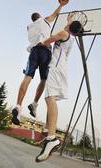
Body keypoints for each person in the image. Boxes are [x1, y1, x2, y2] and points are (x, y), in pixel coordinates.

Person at [12, 0, 68, 125]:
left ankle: (18, 106)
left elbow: (33, 30)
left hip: (33, 51)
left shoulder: (29, 27)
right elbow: (55, 14)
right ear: (40, 17)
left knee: (27, 76)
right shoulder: (44, 20)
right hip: (45, 51)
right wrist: (61, 5)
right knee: (43, 79)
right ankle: (34, 104)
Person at [35, 14, 83, 162]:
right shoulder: (71, 38)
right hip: (61, 68)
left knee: (50, 99)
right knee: (50, 99)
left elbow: (50, 40)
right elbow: (65, 30)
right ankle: (48, 131)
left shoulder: (63, 34)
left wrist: (40, 43)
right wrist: (69, 21)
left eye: (68, 25)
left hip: (55, 69)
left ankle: (52, 137)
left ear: (69, 28)